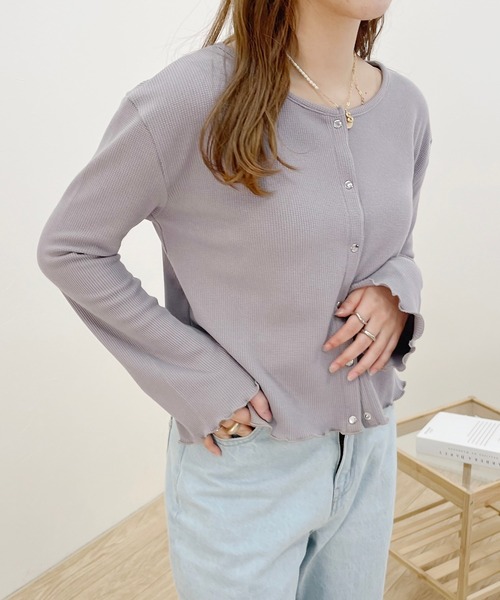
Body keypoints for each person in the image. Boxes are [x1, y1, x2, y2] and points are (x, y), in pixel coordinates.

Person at [36, 0, 432, 597]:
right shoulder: (193, 97)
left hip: (368, 450)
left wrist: (397, 293)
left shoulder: (404, 106)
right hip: (247, 464)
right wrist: (204, 380)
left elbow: (397, 249)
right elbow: (71, 248)